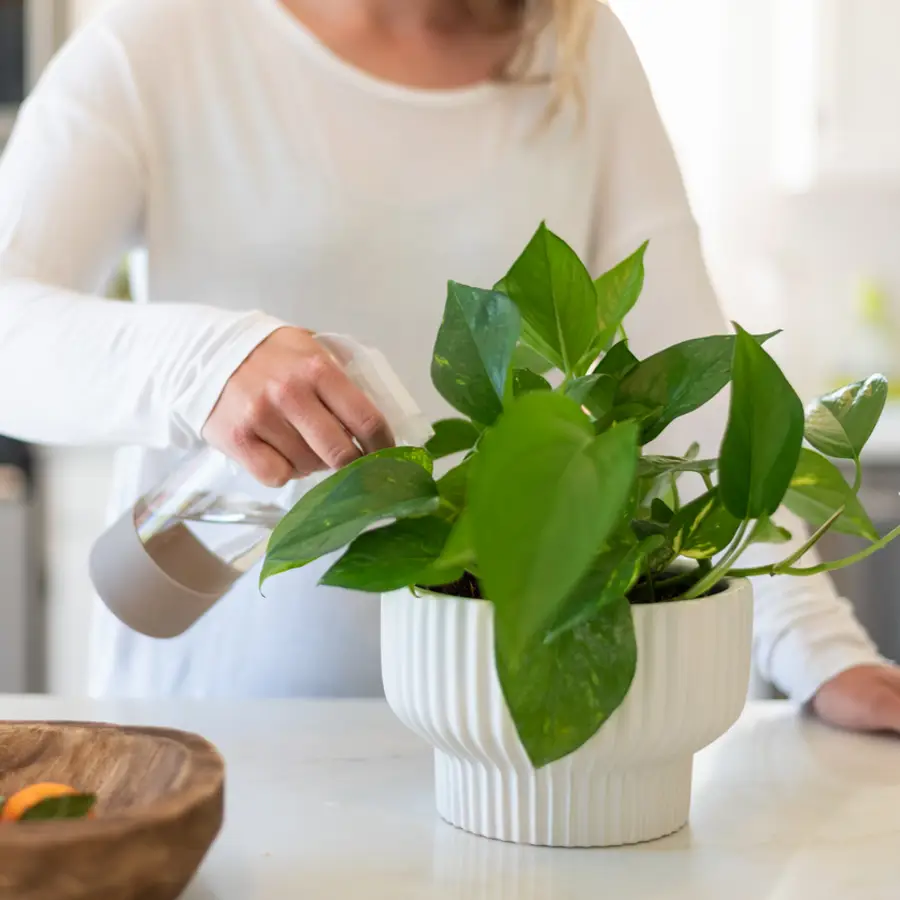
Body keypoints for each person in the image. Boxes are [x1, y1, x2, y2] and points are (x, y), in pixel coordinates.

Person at [0, 0, 897, 730]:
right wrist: (202, 362)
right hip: (225, 737)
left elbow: (689, 384)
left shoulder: (576, 53)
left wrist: (820, 650)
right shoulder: (164, 39)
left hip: (492, 737)